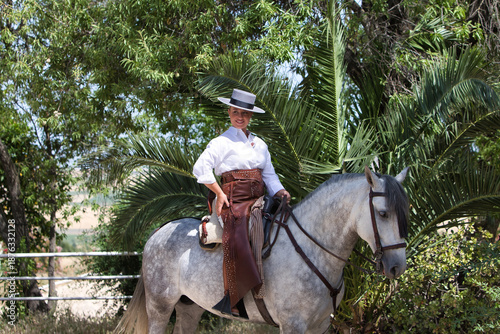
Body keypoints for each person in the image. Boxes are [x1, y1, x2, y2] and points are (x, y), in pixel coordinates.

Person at [193, 88, 290, 318]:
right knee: (240, 227)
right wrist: (218, 192)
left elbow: (270, 176)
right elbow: (200, 169)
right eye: (236, 112)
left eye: (245, 113)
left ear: (251, 116)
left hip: (259, 198)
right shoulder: (221, 142)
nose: (240, 117)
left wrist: (282, 192)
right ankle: (233, 296)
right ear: (229, 111)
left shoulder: (260, 144)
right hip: (233, 199)